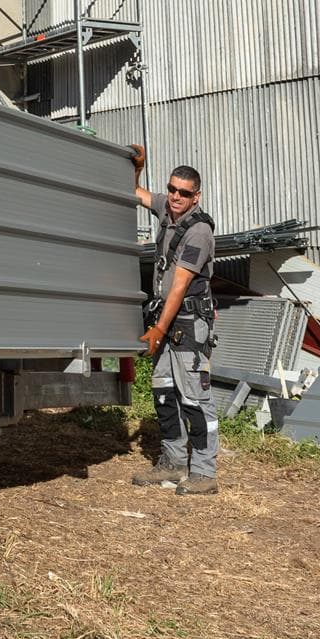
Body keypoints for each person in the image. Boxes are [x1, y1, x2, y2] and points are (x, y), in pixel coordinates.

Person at [127, 145, 219, 495]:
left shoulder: (199, 232)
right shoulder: (167, 208)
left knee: (195, 399)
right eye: (172, 189)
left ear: (196, 197)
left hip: (187, 323)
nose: (176, 197)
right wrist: (137, 169)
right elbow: (134, 194)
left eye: (184, 193)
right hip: (167, 320)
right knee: (164, 393)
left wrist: (159, 329)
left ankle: (205, 473)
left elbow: (179, 285)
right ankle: (174, 462)